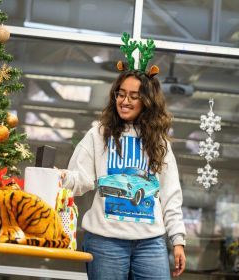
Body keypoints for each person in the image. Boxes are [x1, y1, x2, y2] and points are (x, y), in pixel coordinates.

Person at [61, 67, 186, 279]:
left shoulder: (159, 142)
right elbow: (80, 179)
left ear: (147, 101)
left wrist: (178, 240)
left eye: (134, 96)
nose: (124, 100)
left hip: (151, 242)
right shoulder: (99, 134)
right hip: (105, 241)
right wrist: (61, 178)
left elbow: (170, 194)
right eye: (121, 93)